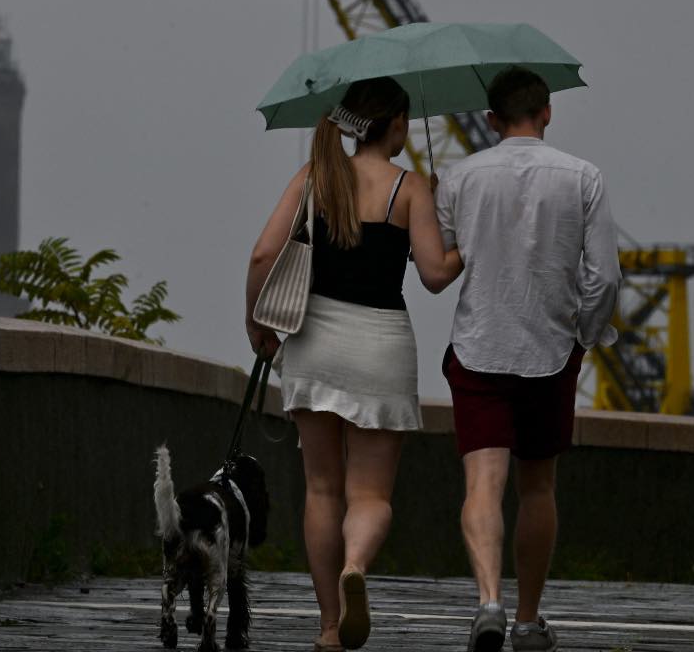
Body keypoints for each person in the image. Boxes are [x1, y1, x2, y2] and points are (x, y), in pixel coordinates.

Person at [245, 76, 463, 652]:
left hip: (314, 342)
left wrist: (256, 325)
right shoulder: (409, 187)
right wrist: (460, 236)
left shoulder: (317, 176)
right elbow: (437, 276)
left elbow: (264, 253)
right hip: (381, 345)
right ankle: (357, 567)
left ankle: (328, 628)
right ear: (393, 124)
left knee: (321, 490)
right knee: (370, 497)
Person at [434, 66, 621, 652]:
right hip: (549, 349)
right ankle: (527, 620)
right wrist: (584, 337)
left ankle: (488, 601)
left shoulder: (461, 176)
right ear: (547, 112)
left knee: (482, 485)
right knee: (538, 488)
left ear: (490, 120)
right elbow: (606, 278)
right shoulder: (584, 177)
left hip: (479, 347)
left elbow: (439, 261)